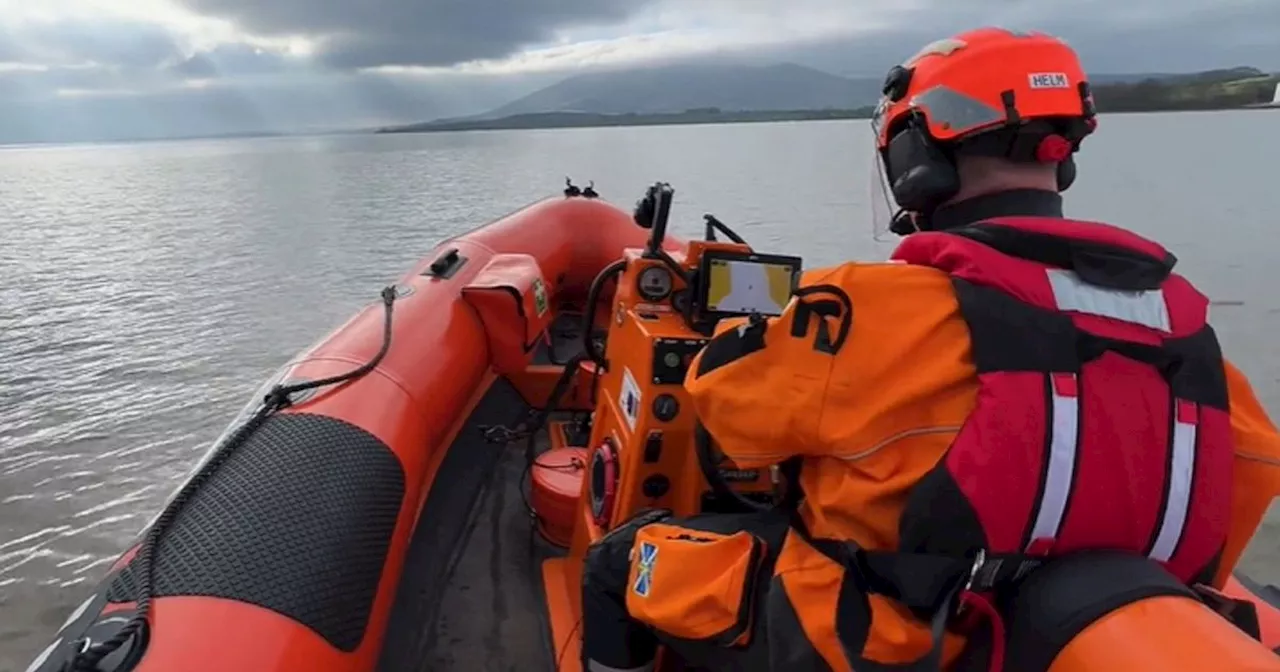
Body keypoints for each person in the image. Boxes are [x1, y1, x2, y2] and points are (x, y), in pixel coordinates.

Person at [580, 27, 1280, 672]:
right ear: (1061, 157)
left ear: (915, 155)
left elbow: (722, 404)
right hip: (1068, 634)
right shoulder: (1199, 349)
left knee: (615, 564)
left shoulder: (864, 308)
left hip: (879, 642)